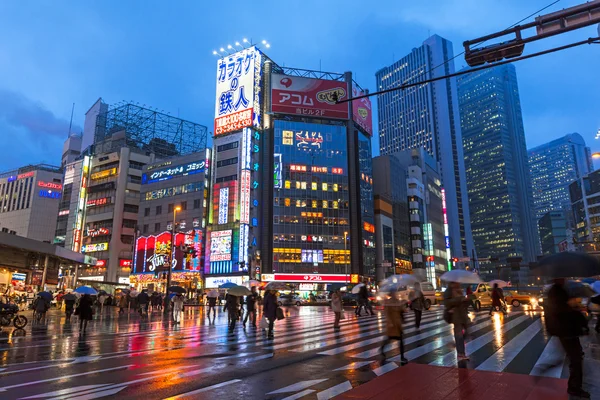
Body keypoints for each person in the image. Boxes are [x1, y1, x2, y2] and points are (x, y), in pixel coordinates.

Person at [545, 278, 590, 398]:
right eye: (562, 277)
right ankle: (574, 387)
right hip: (566, 330)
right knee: (575, 360)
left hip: (566, 330)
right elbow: (563, 312)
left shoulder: (558, 290)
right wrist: (574, 309)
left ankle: (574, 385)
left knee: (575, 357)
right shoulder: (557, 292)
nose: (564, 279)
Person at [444, 282, 471, 361]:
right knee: (459, 335)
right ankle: (461, 354)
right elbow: (447, 303)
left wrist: (467, 300)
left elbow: (464, 303)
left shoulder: (459, 290)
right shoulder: (449, 291)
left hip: (463, 315)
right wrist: (459, 299)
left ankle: (457, 346)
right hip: (456, 316)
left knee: (466, 332)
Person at [380, 290, 407, 364]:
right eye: (394, 293)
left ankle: (402, 356)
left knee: (400, 340)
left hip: (398, 324)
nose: (396, 294)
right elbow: (387, 314)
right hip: (391, 324)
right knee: (390, 338)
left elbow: (402, 311)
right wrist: (390, 323)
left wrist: (403, 317)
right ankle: (382, 349)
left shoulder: (398, 301)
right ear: (391, 294)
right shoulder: (388, 303)